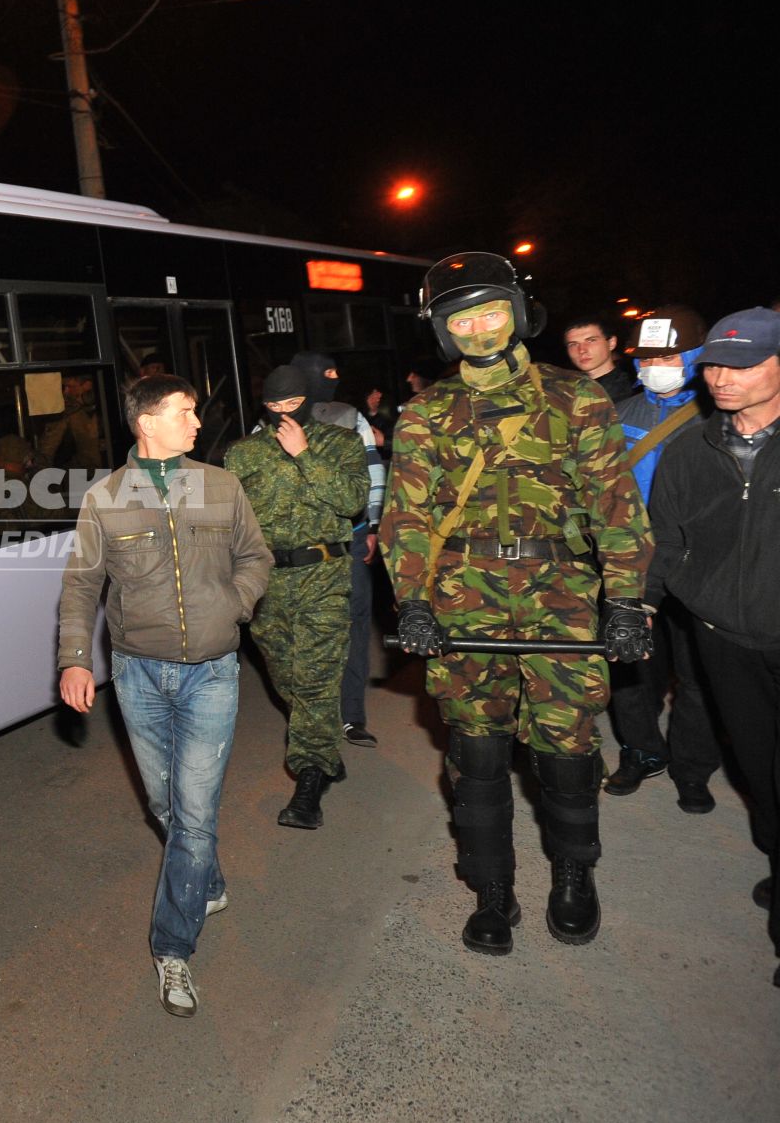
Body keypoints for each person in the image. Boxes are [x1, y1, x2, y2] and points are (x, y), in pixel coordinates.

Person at [383, 253, 652, 956]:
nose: (477, 328)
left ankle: (573, 873)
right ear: (442, 330)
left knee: (566, 746)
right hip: (462, 603)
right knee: (475, 753)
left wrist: (624, 599)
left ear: (520, 313)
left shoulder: (575, 399)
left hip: (560, 598)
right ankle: (492, 889)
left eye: (490, 311)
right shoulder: (426, 411)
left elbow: (616, 506)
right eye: (460, 317)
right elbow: (405, 518)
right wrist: (411, 600)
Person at [58, 374, 272, 1018]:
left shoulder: (220, 486)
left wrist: (232, 605)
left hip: (211, 671)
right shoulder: (107, 498)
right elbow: (80, 586)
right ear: (147, 423)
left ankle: (173, 951)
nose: (197, 422)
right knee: (165, 803)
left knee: (195, 811)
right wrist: (74, 659)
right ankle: (203, 874)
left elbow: (255, 557)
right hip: (139, 675)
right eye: (185, 412)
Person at [644, 308, 780, 988]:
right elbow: (666, 542)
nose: (723, 377)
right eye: (716, 365)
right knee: (759, 771)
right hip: (723, 639)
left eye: (745, 363)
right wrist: (639, 603)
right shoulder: (689, 452)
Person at [225, 365, 370, 828]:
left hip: (324, 576)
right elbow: (231, 521)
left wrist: (304, 455)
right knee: (286, 677)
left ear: (307, 401)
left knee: (315, 679)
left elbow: (352, 501)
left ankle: (308, 782)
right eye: (274, 407)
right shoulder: (242, 454)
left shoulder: (340, 443)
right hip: (266, 583)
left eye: (292, 405)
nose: (284, 414)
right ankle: (323, 745)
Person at [604, 308, 722, 809]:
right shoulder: (621, 414)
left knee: (699, 673)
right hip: (635, 560)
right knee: (631, 666)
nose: (658, 366)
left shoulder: (718, 413)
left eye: (670, 357)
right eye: (649, 358)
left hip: (701, 561)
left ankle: (693, 768)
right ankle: (640, 750)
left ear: (694, 359)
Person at [291, 351, 388, 750]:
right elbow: (374, 473)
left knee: (339, 627)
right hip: (330, 544)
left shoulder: (275, 417)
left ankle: (340, 716)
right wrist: (374, 526)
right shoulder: (348, 416)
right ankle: (341, 716)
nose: (334, 378)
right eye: (327, 373)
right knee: (342, 628)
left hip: (328, 542)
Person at [562, 314, 637, 404]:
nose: (582, 350)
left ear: (611, 343)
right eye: (573, 344)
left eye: (591, 340)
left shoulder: (632, 390)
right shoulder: (562, 391)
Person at [36, 373, 102, 471]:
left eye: (70, 387)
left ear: (87, 385)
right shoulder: (68, 412)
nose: (66, 392)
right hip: (90, 474)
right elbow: (48, 447)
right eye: (64, 387)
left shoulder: (110, 399)